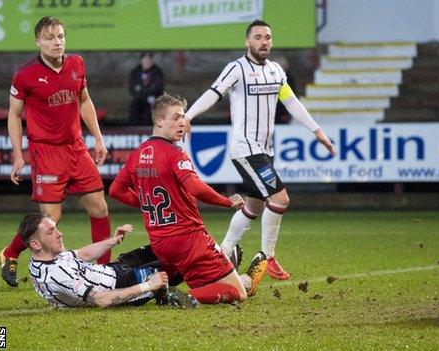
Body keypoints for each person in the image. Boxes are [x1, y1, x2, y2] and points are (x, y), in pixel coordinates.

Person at [183, 19, 336, 280]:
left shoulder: (276, 71)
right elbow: (213, 93)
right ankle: (268, 256)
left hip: (264, 150)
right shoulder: (237, 68)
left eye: (267, 37)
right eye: (258, 37)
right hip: (245, 149)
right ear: (247, 41)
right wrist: (189, 115)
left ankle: (221, 253)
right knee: (280, 199)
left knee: (253, 208)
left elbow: (291, 102)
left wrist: (316, 130)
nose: (263, 41)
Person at [109, 93, 267, 304]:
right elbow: (196, 188)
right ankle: (189, 297)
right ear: (159, 121)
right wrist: (227, 201)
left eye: (183, 117)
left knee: (206, 280)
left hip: (159, 242)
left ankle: (226, 270)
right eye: (175, 117)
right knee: (237, 292)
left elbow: (115, 190)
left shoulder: (137, 154)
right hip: (189, 240)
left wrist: (147, 204)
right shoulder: (175, 154)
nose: (182, 122)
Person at [1, 16, 112, 288]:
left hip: (76, 147)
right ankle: (11, 252)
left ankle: (105, 271)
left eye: (60, 36)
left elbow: (84, 101)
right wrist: (18, 154)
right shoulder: (25, 74)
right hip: (46, 152)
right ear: (38, 41)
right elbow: (14, 115)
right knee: (50, 221)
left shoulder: (76, 64)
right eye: (50, 38)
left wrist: (98, 138)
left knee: (100, 208)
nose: (57, 42)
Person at [18, 212, 195, 308]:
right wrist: (148, 285)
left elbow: (82, 254)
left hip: (115, 267)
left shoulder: (45, 257)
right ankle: (162, 292)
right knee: (180, 263)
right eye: (51, 232)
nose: (60, 234)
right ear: (35, 243)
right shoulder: (56, 275)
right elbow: (101, 299)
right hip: (121, 285)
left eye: (56, 228)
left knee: (165, 246)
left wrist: (113, 240)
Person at [128, 52, 165, 125]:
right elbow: (132, 89)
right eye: (145, 61)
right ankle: (134, 129)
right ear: (141, 61)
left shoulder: (157, 71)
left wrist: (141, 90)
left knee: (152, 110)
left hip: (154, 99)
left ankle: (148, 130)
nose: (147, 63)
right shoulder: (135, 72)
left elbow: (158, 88)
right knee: (133, 107)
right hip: (139, 98)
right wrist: (147, 91)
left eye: (149, 61)